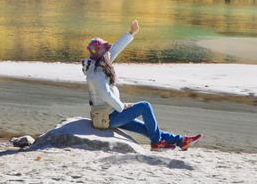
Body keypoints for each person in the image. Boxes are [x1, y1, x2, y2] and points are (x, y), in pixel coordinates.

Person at [83, 20, 202, 150]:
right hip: (109, 117)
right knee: (145, 106)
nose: (110, 51)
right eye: (107, 50)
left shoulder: (99, 64)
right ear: (102, 54)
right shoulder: (97, 74)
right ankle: (156, 143)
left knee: (148, 129)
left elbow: (116, 49)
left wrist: (131, 33)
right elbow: (106, 94)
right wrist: (122, 107)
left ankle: (181, 141)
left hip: (111, 114)